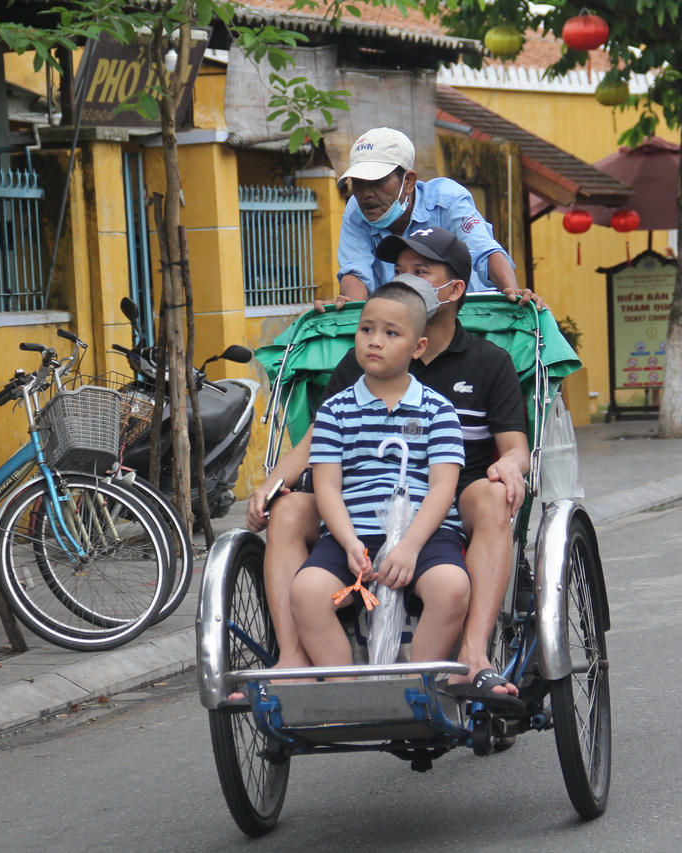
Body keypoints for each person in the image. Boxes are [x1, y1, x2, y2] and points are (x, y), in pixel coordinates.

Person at [247, 227, 529, 695]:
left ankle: (472, 655)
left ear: (455, 289)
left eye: (422, 272)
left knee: (492, 496)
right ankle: (295, 657)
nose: (407, 281)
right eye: (399, 272)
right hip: (357, 503)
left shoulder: (488, 362)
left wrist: (512, 465)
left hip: (454, 495)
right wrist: (273, 483)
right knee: (291, 506)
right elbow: (319, 441)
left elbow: (514, 444)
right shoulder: (363, 364)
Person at [291, 280, 469, 668]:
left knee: (452, 588)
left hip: (424, 535)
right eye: (366, 329)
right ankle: (345, 688)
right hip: (350, 535)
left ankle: (421, 685)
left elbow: (443, 488)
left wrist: (409, 547)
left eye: (391, 333)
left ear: (418, 347)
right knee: (306, 592)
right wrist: (350, 542)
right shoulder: (335, 410)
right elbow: (327, 487)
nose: (375, 341)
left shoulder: (437, 409)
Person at [334, 126, 537, 306]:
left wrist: (513, 294)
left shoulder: (447, 199)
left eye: (378, 181)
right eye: (358, 182)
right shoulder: (356, 211)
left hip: (468, 318)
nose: (366, 193)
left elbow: (484, 250)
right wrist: (349, 309)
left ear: (409, 182)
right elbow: (356, 269)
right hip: (402, 325)